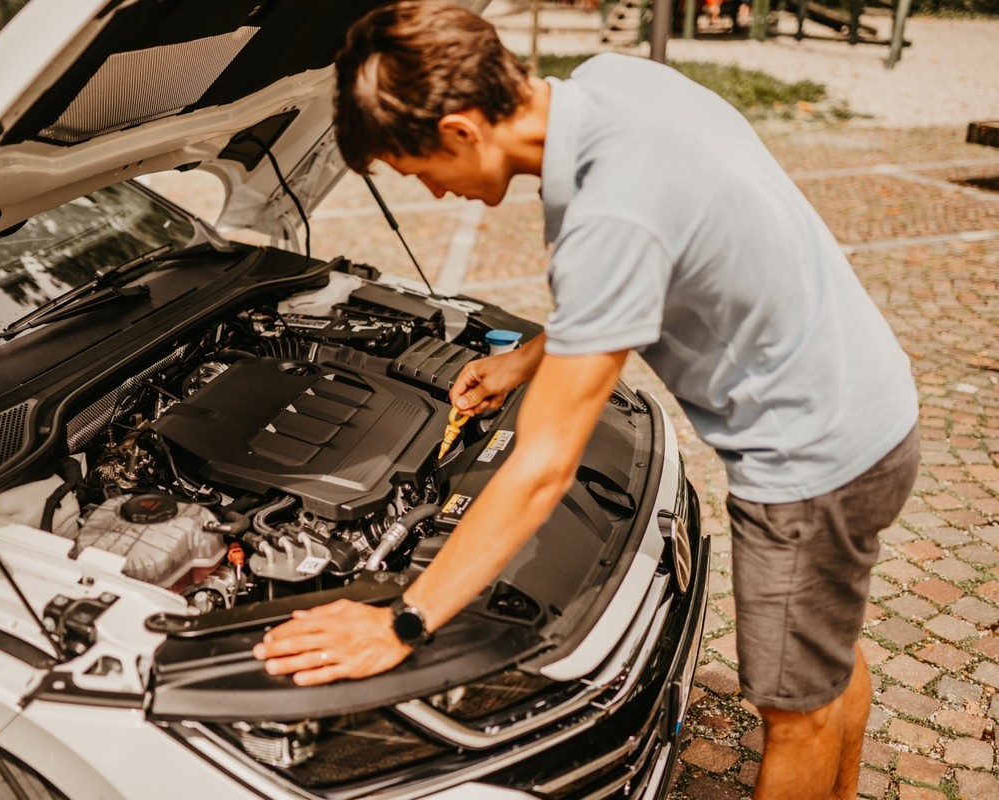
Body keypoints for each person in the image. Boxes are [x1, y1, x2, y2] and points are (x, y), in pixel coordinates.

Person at [252, 4, 919, 798]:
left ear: (463, 130)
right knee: (827, 657)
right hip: (873, 402)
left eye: (417, 168)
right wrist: (528, 361)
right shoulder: (613, 84)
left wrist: (404, 619)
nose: (431, 190)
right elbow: (658, 269)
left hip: (811, 462)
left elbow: (542, 465)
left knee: (793, 714)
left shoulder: (611, 215)